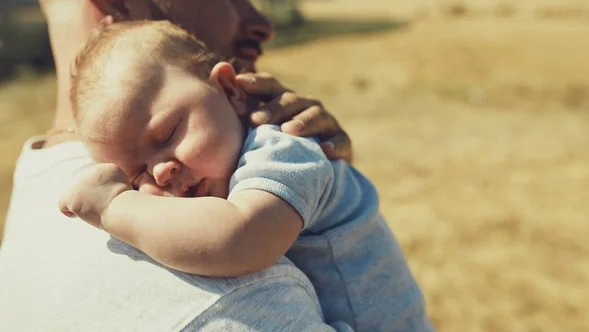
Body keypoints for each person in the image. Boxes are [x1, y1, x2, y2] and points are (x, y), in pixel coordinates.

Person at [0, 0, 371, 330]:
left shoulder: (35, 182)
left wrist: (329, 178)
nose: (263, 24)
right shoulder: (227, 297)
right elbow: (240, 239)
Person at [59, 20, 434, 331]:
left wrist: (114, 205)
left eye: (169, 132)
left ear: (227, 88)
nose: (160, 171)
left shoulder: (285, 150)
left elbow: (237, 238)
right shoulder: (224, 170)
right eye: (135, 173)